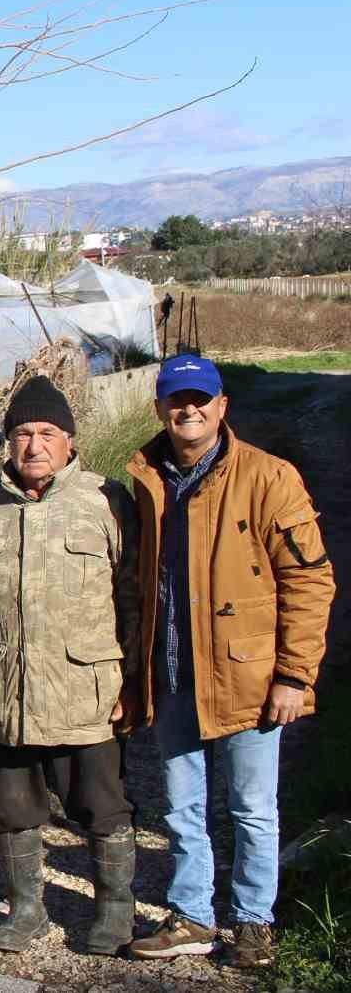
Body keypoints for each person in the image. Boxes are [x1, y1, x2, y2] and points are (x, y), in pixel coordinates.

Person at [123, 356, 333, 968]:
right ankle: (192, 914)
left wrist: (295, 674)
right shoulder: (147, 477)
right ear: (159, 408)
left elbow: (310, 582)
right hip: (172, 672)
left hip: (248, 674)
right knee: (181, 807)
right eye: (175, 400)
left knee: (251, 807)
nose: (188, 410)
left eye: (200, 399)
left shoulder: (270, 478)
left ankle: (252, 921)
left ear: (222, 406)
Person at [0, 377, 141, 956]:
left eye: (47, 433)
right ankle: (26, 910)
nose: (34, 445)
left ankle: (115, 912)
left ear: (70, 442)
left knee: (102, 805)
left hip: (86, 690)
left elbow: (135, 597)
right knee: (13, 807)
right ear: (8, 442)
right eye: (23, 433)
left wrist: (135, 680)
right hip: (8, 691)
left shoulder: (106, 500)